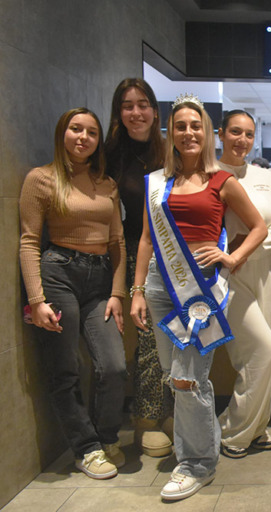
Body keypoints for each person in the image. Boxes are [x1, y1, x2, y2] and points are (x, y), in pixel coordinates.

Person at [130, 94, 267, 500]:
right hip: (159, 285)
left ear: (208, 133)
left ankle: (197, 465)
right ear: (171, 133)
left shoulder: (222, 181)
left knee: (189, 377)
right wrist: (137, 290)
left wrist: (233, 256)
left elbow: (257, 227)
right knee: (176, 377)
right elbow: (145, 239)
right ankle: (196, 452)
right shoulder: (159, 183)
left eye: (197, 126)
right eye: (182, 126)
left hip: (202, 289)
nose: (189, 132)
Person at [20, 108, 127, 479]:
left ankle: (107, 437)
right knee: (66, 369)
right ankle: (87, 449)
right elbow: (30, 241)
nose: (83, 137)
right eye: (75, 129)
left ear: (99, 141)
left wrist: (117, 293)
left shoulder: (106, 184)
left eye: (91, 132)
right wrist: (36, 300)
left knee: (114, 366)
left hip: (100, 283)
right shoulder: (42, 179)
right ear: (61, 133)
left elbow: (118, 243)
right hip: (59, 274)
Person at [105, 78, 173, 457]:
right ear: (119, 112)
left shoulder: (170, 150)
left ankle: (174, 411)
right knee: (148, 341)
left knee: (180, 336)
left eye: (143, 104)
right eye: (128, 106)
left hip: (177, 254)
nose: (136, 112)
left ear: (154, 110)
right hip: (136, 253)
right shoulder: (109, 155)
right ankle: (146, 418)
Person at [216, 110, 271, 458]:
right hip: (228, 277)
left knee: (266, 357)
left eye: (248, 134)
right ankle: (232, 430)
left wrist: (245, 249)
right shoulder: (208, 176)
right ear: (220, 134)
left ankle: (258, 427)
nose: (241, 140)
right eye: (234, 132)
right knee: (260, 352)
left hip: (265, 270)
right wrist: (235, 256)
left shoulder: (267, 176)